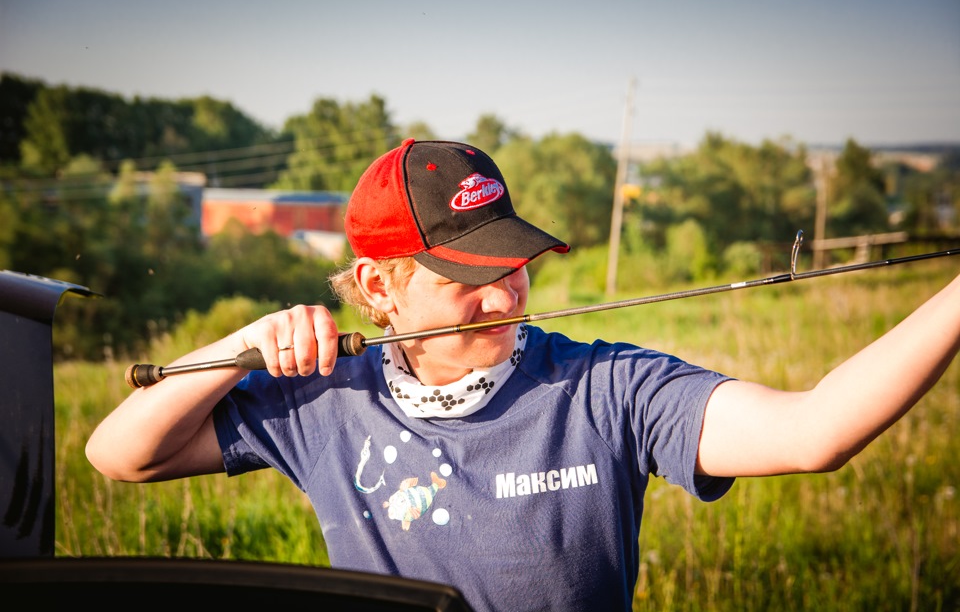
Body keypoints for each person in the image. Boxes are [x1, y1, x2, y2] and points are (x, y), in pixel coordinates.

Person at [86, 138, 960, 612]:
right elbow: (121, 455)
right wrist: (246, 342)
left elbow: (817, 432)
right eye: (468, 274)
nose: (505, 288)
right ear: (376, 288)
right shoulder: (322, 399)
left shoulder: (608, 389)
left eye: (513, 259)